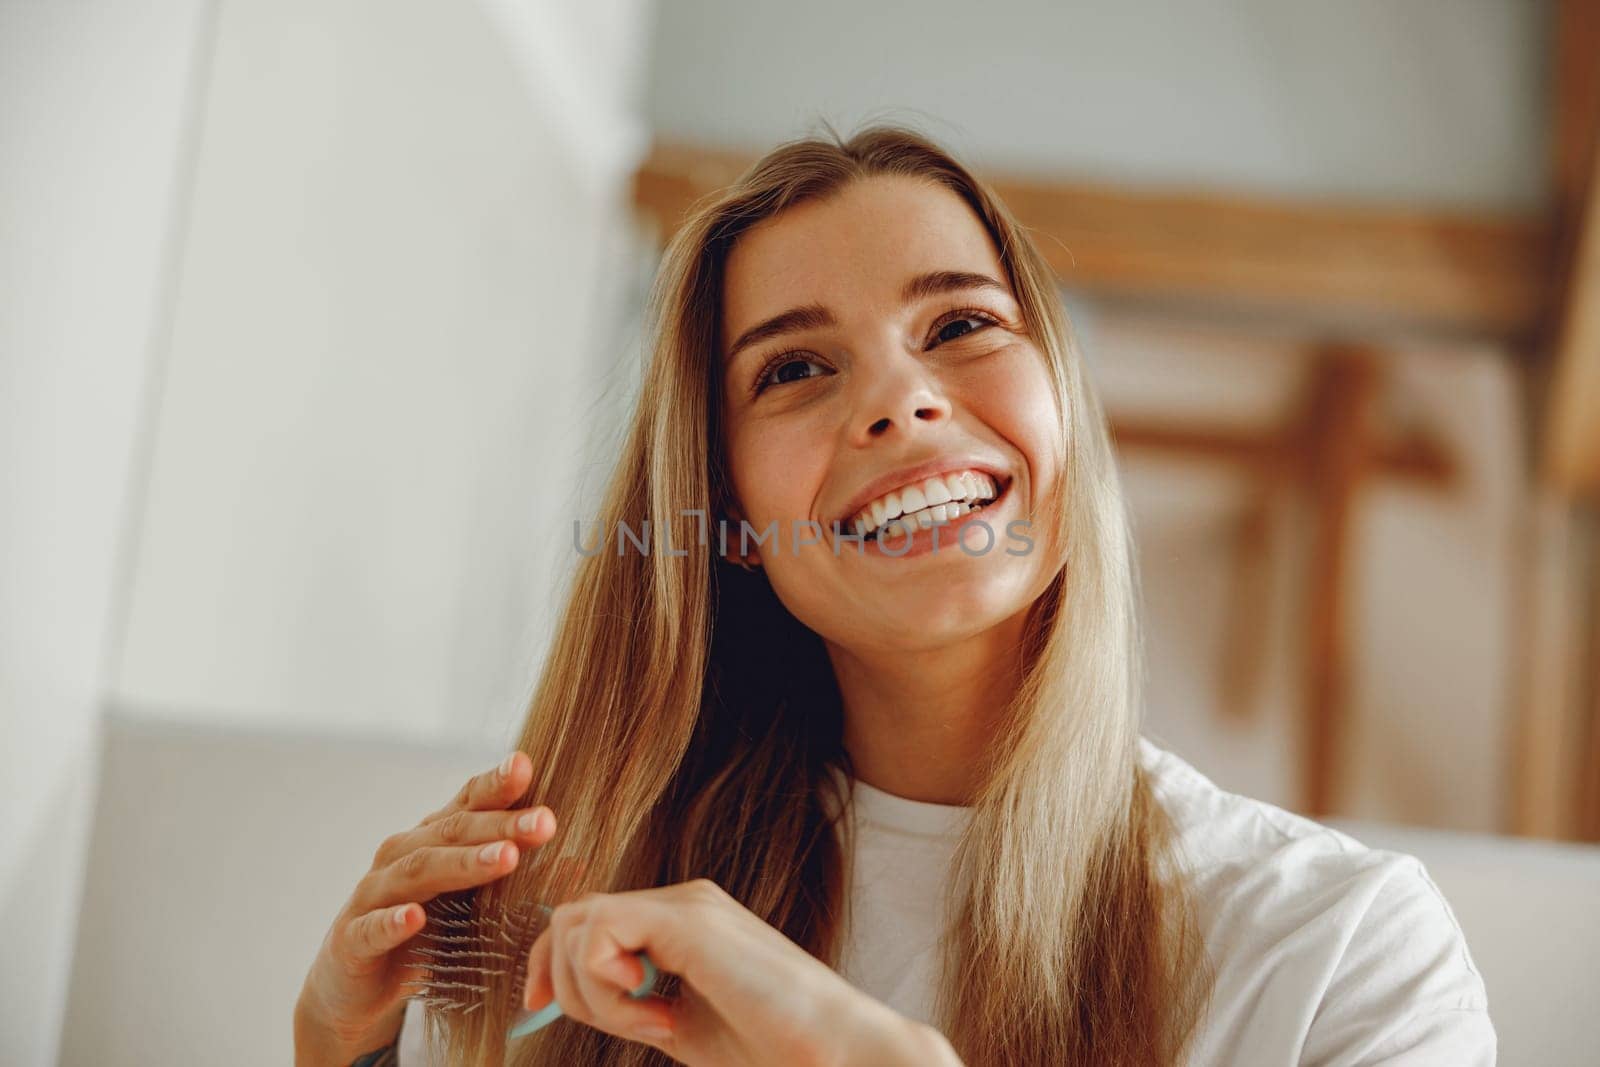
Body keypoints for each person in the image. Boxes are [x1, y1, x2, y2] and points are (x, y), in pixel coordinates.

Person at [293, 123, 1495, 1066]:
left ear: (1062, 411)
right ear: (734, 521)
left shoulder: (1344, 950)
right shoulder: (578, 894)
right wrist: (343, 1055)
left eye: (962, 321)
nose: (901, 398)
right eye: (797, 368)